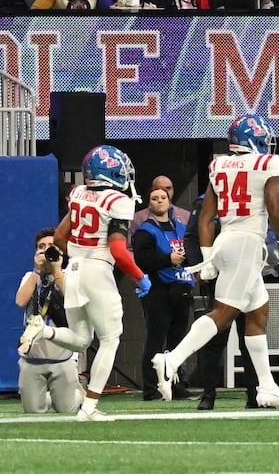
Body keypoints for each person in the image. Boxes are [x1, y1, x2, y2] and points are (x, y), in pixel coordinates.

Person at [149, 115, 279, 410]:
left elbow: (206, 216)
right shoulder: (270, 163)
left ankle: (267, 387)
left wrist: (208, 258)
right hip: (246, 242)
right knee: (223, 314)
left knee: (258, 313)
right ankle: (172, 360)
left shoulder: (218, 164)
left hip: (227, 240)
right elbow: (275, 207)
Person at [21, 145, 151, 421]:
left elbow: (58, 237)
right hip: (97, 271)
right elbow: (118, 249)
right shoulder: (117, 201)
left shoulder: (79, 194)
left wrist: (81, 252)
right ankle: (89, 408)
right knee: (110, 339)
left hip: (75, 269)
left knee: (81, 340)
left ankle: (43, 331)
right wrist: (139, 277)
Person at [132, 184, 193, 401]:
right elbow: (142, 260)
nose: (159, 201)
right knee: (155, 340)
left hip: (181, 287)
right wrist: (168, 259)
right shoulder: (145, 230)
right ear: (150, 203)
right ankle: (151, 389)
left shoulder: (181, 227)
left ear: (170, 202)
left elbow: (192, 252)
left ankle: (178, 387)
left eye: (163, 197)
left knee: (178, 341)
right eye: (155, 198)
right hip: (158, 290)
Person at [15, 228, 81, 415]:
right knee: (33, 412)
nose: (45, 250)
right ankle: (46, 396)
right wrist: (37, 271)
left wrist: (56, 270)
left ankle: (77, 394)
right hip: (32, 359)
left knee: (66, 409)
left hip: (62, 358)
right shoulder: (30, 277)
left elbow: (73, 301)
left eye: (51, 246)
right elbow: (20, 301)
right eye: (40, 247)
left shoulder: (70, 275)